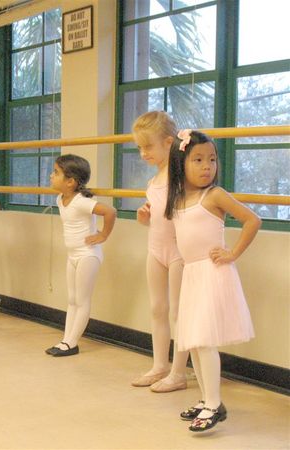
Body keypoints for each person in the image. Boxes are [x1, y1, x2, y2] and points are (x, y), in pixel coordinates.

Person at [166, 130, 260, 432]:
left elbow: (252, 220)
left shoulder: (214, 195)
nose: (207, 166)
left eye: (212, 159)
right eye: (198, 160)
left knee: (204, 340)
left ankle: (214, 404)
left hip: (212, 272)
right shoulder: (179, 199)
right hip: (192, 274)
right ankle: (206, 397)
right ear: (180, 164)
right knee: (193, 339)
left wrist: (233, 253)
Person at [131, 111, 189, 392]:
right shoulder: (153, 181)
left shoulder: (183, 177)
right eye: (139, 148)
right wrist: (144, 218)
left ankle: (179, 372)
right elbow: (156, 219)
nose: (143, 153)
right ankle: (159, 365)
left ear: (168, 143)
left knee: (178, 311)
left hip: (179, 252)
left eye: (148, 146)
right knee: (157, 308)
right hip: (155, 250)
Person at [46, 154, 116, 356]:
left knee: (82, 300)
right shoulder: (60, 199)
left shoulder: (81, 202)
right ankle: (66, 339)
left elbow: (110, 212)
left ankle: (72, 343)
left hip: (88, 255)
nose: (51, 175)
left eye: (56, 172)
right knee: (72, 299)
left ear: (70, 182)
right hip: (73, 256)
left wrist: (103, 235)